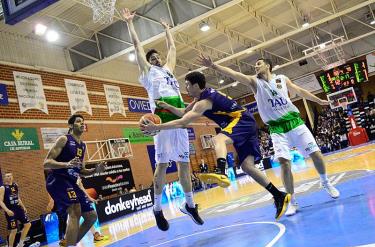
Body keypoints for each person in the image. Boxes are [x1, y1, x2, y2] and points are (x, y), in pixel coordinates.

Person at [198, 54, 340, 216]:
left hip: (295, 122)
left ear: (268, 66)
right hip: (276, 128)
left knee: (316, 154)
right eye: (255, 66)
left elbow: (299, 90)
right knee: (285, 163)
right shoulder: (255, 83)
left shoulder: (281, 79)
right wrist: (214, 65)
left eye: (258, 64)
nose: (256, 67)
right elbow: (234, 74)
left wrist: (318, 101)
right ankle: (291, 201)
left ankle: (325, 182)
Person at [142, 71, 291, 220]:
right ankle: (278, 195)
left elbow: (183, 123)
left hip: (241, 120)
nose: (185, 87)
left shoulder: (203, 102)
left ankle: (221, 171)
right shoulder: (200, 98)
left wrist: (157, 127)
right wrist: (168, 106)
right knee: (247, 167)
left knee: (217, 140)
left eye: (187, 84)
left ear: (195, 85)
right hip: (247, 122)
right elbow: (183, 114)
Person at [121, 8, 204, 231]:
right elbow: (138, 48)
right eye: (152, 58)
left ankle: (189, 205)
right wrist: (130, 24)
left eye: (157, 57)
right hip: (162, 122)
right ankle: (157, 209)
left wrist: (168, 30)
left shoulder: (168, 70)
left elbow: (173, 48)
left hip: (180, 121)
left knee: (184, 166)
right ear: (148, 63)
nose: (156, 59)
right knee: (162, 166)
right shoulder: (148, 73)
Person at [44, 114, 106, 247]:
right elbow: (46, 163)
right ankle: (71, 244)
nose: (82, 124)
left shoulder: (82, 146)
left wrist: (96, 170)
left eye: (83, 122)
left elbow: (82, 170)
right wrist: (67, 164)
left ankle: (70, 243)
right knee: (75, 209)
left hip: (72, 182)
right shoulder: (64, 139)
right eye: (78, 122)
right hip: (58, 179)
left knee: (91, 216)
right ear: (71, 126)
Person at [0, 173, 31, 247]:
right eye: (7, 176)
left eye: (10, 176)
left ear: (12, 177)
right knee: (14, 230)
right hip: (10, 210)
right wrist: (7, 210)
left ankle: (20, 245)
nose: (9, 177)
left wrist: (23, 206)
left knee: (28, 224)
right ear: (4, 178)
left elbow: (18, 197)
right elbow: (0, 201)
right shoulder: (3, 187)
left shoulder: (15, 185)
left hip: (18, 209)